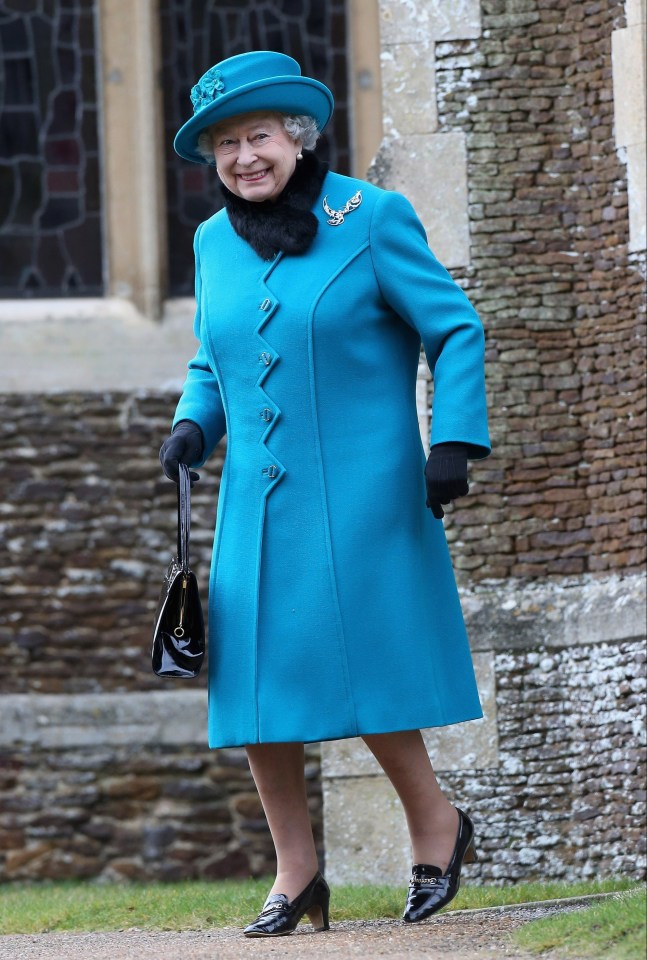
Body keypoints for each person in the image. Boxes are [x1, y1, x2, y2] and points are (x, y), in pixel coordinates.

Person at [160, 50, 490, 938]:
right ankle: (297, 871)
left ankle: (435, 825)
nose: (242, 158)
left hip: (365, 490)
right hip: (255, 501)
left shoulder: (368, 216)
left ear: (297, 139)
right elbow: (212, 357)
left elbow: (454, 327)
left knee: (371, 665)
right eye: (224, 144)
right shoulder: (210, 242)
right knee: (257, 684)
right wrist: (195, 424)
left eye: (257, 136)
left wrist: (452, 437)